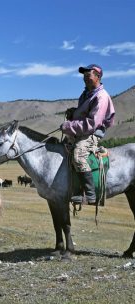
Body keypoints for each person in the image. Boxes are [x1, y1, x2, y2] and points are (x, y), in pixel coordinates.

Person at [60, 64, 115, 205]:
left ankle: (90, 194)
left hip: (92, 133)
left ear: (98, 77)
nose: (85, 78)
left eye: (88, 75)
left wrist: (69, 126)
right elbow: (84, 113)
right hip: (82, 131)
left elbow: (92, 123)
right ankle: (74, 189)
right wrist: (74, 112)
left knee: (78, 155)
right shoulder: (86, 94)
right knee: (64, 150)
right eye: (84, 76)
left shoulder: (101, 96)